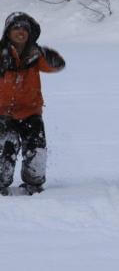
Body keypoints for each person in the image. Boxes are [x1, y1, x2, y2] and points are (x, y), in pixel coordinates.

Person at [0, 12, 65, 196]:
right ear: (8, 32)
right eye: (16, 28)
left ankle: (33, 183)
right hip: (3, 113)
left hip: (31, 111)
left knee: (36, 149)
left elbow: (55, 66)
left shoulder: (35, 54)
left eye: (24, 29)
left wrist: (52, 57)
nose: (20, 32)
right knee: (6, 148)